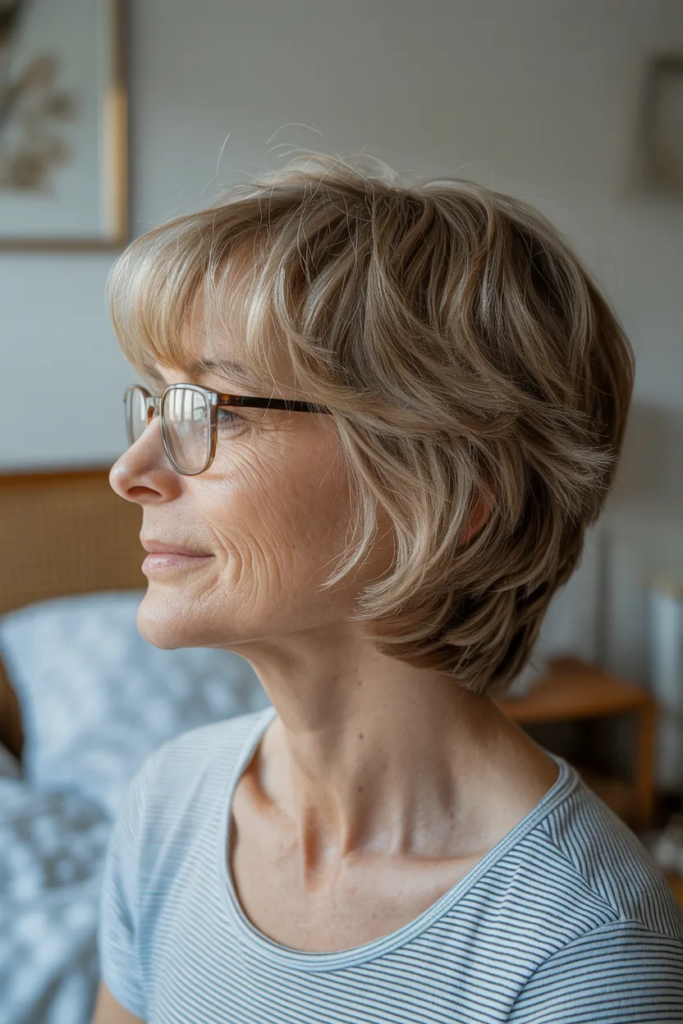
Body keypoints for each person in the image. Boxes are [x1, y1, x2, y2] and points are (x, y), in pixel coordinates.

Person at [95, 152, 683, 1024]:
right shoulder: (167, 803)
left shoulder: (581, 949)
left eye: (214, 408)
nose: (128, 472)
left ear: (445, 490)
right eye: (155, 403)